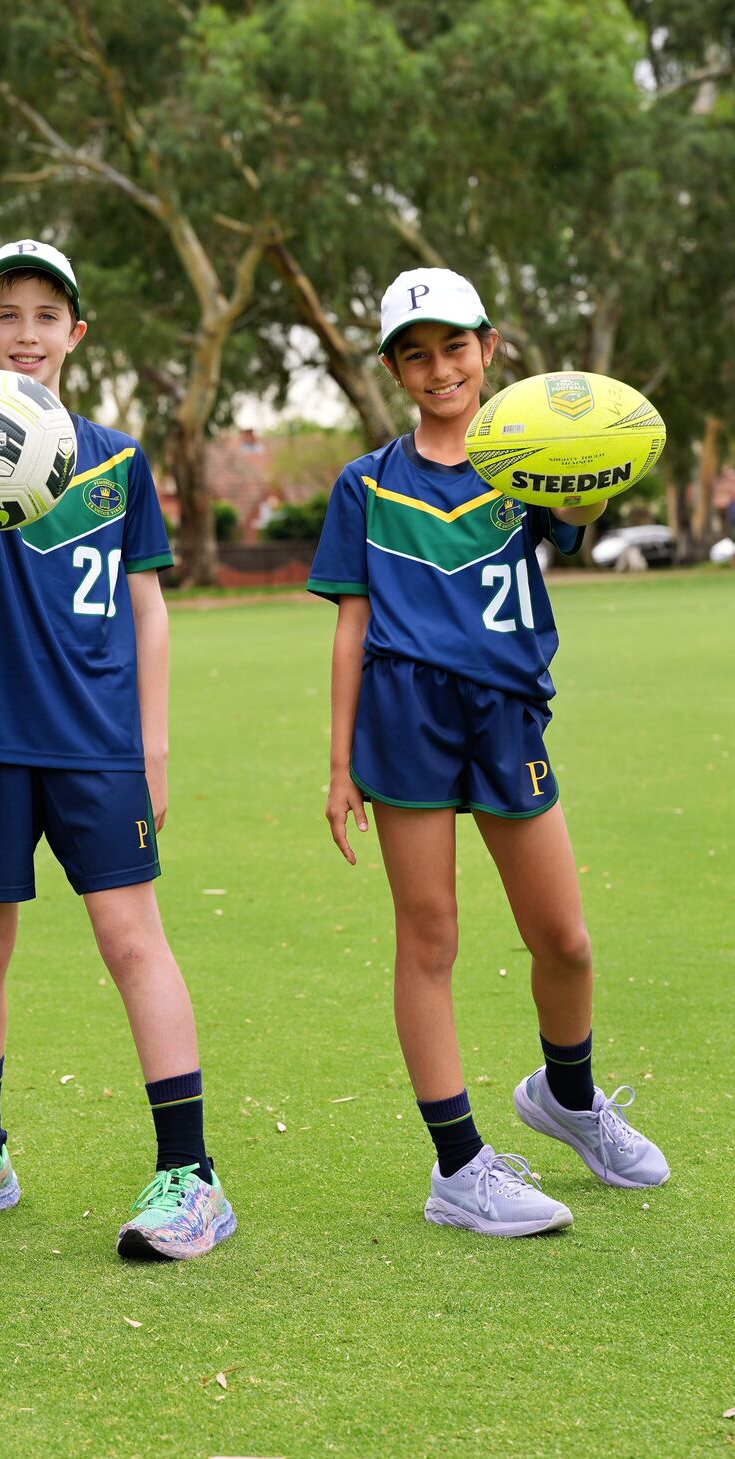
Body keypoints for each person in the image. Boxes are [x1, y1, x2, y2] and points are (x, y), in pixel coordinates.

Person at [0, 239, 236, 1260]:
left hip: (95, 744)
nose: (28, 332)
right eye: (7, 315)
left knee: (133, 940)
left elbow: (148, 608)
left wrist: (155, 745)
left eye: (47, 315)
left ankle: (191, 1174)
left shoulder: (121, 459)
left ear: (76, 333)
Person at [308, 267, 668, 1237]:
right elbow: (350, 624)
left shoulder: (525, 459)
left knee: (565, 939)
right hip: (403, 714)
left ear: (488, 348)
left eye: (454, 347)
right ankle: (458, 1166)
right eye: (415, 354)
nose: (439, 368)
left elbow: (578, 521)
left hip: (507, 714)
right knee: (429, 940)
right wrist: (338, 764)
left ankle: (568, 1097)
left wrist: (589, 467)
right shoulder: (367, 484)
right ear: (393, 367)